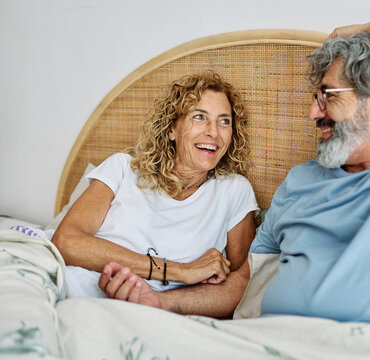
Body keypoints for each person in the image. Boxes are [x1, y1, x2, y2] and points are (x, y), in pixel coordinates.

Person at [98, 14, 370, 360]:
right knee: (86, 321)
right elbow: (241, 285)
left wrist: (363, 32)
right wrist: (161, 305)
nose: (313, 112)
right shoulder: (301, 182)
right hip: (271, 343)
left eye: (327, 95)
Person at [52, 71, 259, 298]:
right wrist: (180, 271)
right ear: (172, 129)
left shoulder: (234, 191)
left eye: (224, 121)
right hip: (66, 283)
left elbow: (241, 288)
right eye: (199, 117)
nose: (213, 132)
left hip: (139, 313)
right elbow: (66, 242)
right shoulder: (123, 169)